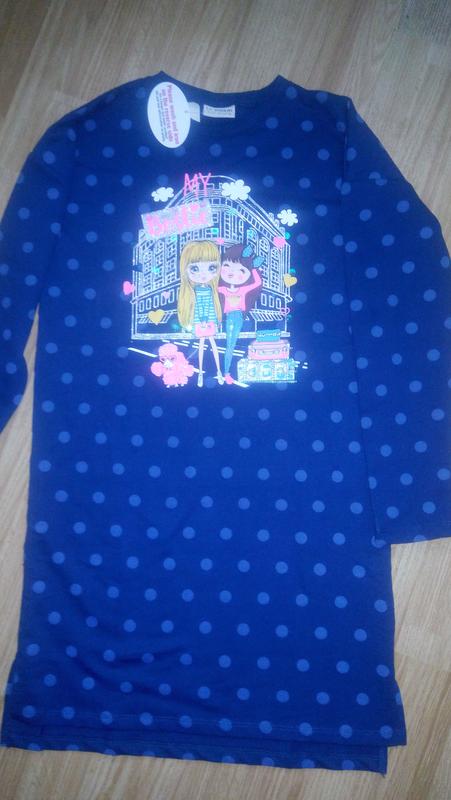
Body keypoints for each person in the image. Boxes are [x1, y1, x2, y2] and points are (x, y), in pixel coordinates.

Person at [177, 240, 224, 387]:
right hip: (201, 321)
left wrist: (210, 319)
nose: (203, 274)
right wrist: (202, 320)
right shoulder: (195, 291)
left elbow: (210, 306)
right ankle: (201, 374)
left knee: (212, 346)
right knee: (202, 346)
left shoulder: (211, 290)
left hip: (208, 320)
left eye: (211, 267)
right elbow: (200, 307)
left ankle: (218, 372)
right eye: (195, 268)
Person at [218, 243, 263, 383]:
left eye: (241, 270)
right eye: (227, 266)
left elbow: (257, 283)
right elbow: (212, 284)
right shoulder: (222, 289)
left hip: (238, 316)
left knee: (231, 344)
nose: (233, 273)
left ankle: (226, 373)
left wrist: (254, 269)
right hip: (229, 317)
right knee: (229, 345)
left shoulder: (243, 290)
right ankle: (226, 373)